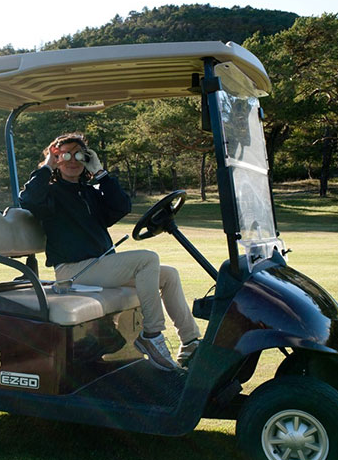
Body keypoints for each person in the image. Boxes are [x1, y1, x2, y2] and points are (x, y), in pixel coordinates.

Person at [19, 132, 201, 370]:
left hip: (98, 267)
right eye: (64, 155)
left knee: (168, 275)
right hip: (73, 271)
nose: (72, 160)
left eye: (79, 154)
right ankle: (152, 334)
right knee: (147, 259)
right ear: (56, 159)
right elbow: (28, 199)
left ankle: (189, 341)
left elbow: (121, 206)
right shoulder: (50, 194)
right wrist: (46, 167)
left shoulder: (89, 192)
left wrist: (101, 174)